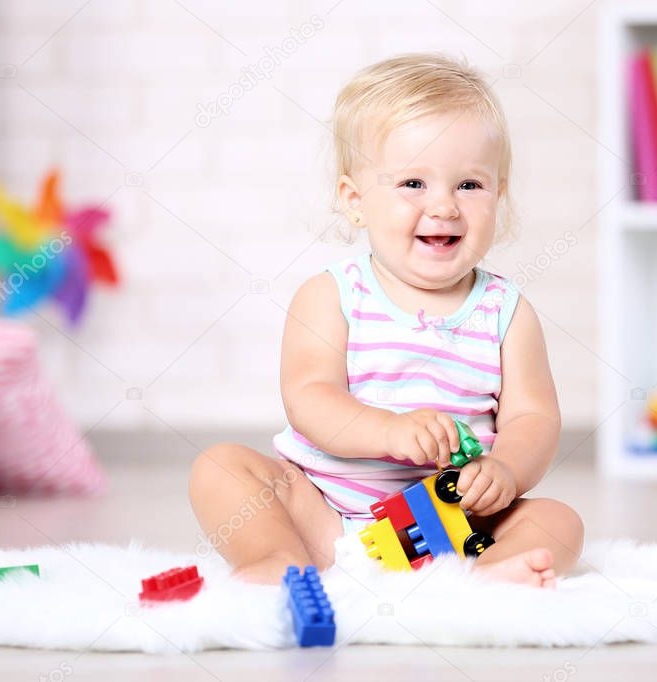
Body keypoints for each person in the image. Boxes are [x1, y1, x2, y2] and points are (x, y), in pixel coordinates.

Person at [189, 53, 583, 588]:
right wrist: (391, 431)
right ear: (356, 201)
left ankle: (485, 578)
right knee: (221, 467)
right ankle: (277, 557)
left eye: (469, 185)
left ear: (499, 194)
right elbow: (309, 398)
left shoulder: (506, 313)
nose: (444, 206)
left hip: (453, 525)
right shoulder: (332, 295)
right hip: (325, 516)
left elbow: (533, 419)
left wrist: (506, 470)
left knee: (558, 522)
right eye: (413, 184)